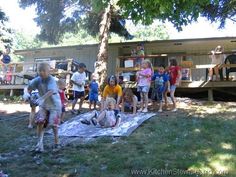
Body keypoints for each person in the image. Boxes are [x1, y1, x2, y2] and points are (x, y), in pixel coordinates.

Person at [27, 62, 62, 152]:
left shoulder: (51, 80)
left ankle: (57, 142)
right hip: (43, 106)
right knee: (40, 122)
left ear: (48, 71)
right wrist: (27, 94)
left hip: (54, 106)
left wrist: (42, 98)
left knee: (53, 125)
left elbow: (50, 91)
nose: (41, 72)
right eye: (39, 71)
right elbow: (29, 87)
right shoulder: (37, 80)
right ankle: (39, 143)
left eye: (43, 71)